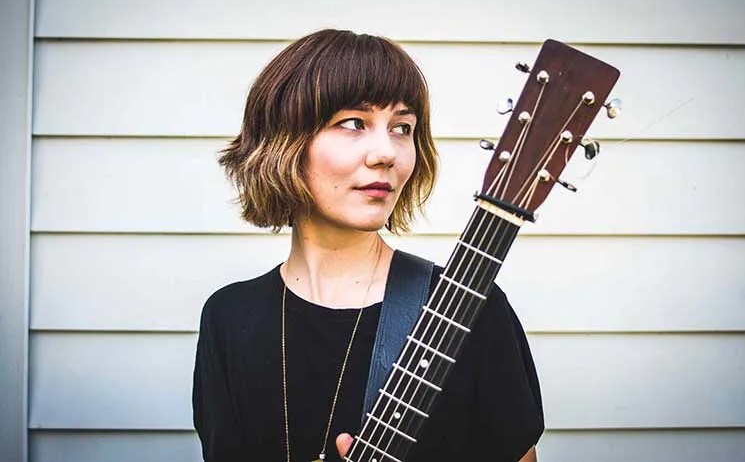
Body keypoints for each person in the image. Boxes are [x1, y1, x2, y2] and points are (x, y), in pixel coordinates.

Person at [192, 28, 544, 462]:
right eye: (354, 123)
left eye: (402, 128)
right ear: (283, 144)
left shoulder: (470, 310)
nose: (387, 153)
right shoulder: (228, 318)